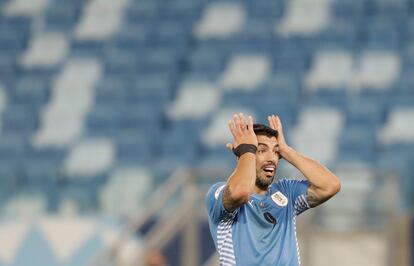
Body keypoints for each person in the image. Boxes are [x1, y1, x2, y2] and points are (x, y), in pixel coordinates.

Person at [205, 113, 341, 266]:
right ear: (243, 155)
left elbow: (331, 185)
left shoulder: (286, 192)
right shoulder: (218, 193)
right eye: (261, 150)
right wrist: (247, 150)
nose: (272, 158)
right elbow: (240, 193)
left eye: (275, 152)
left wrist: (287, 150)